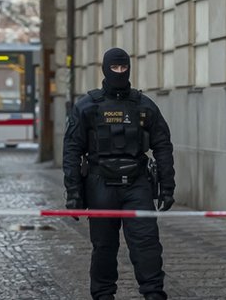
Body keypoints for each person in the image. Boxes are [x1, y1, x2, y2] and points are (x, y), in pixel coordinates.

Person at [63, 47, 175, 300]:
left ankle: (154, 294)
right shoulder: (87, 107)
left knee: (146, 245)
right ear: (105, 69)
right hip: (100, 183)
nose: (120, 72)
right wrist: (73, 193)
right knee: (104, 247)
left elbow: (163, 146)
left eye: (124, 68)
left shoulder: (144, 106)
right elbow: (71, 150)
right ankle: (103, 295)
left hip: (137, 184)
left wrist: (167, 186)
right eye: (115, 68)